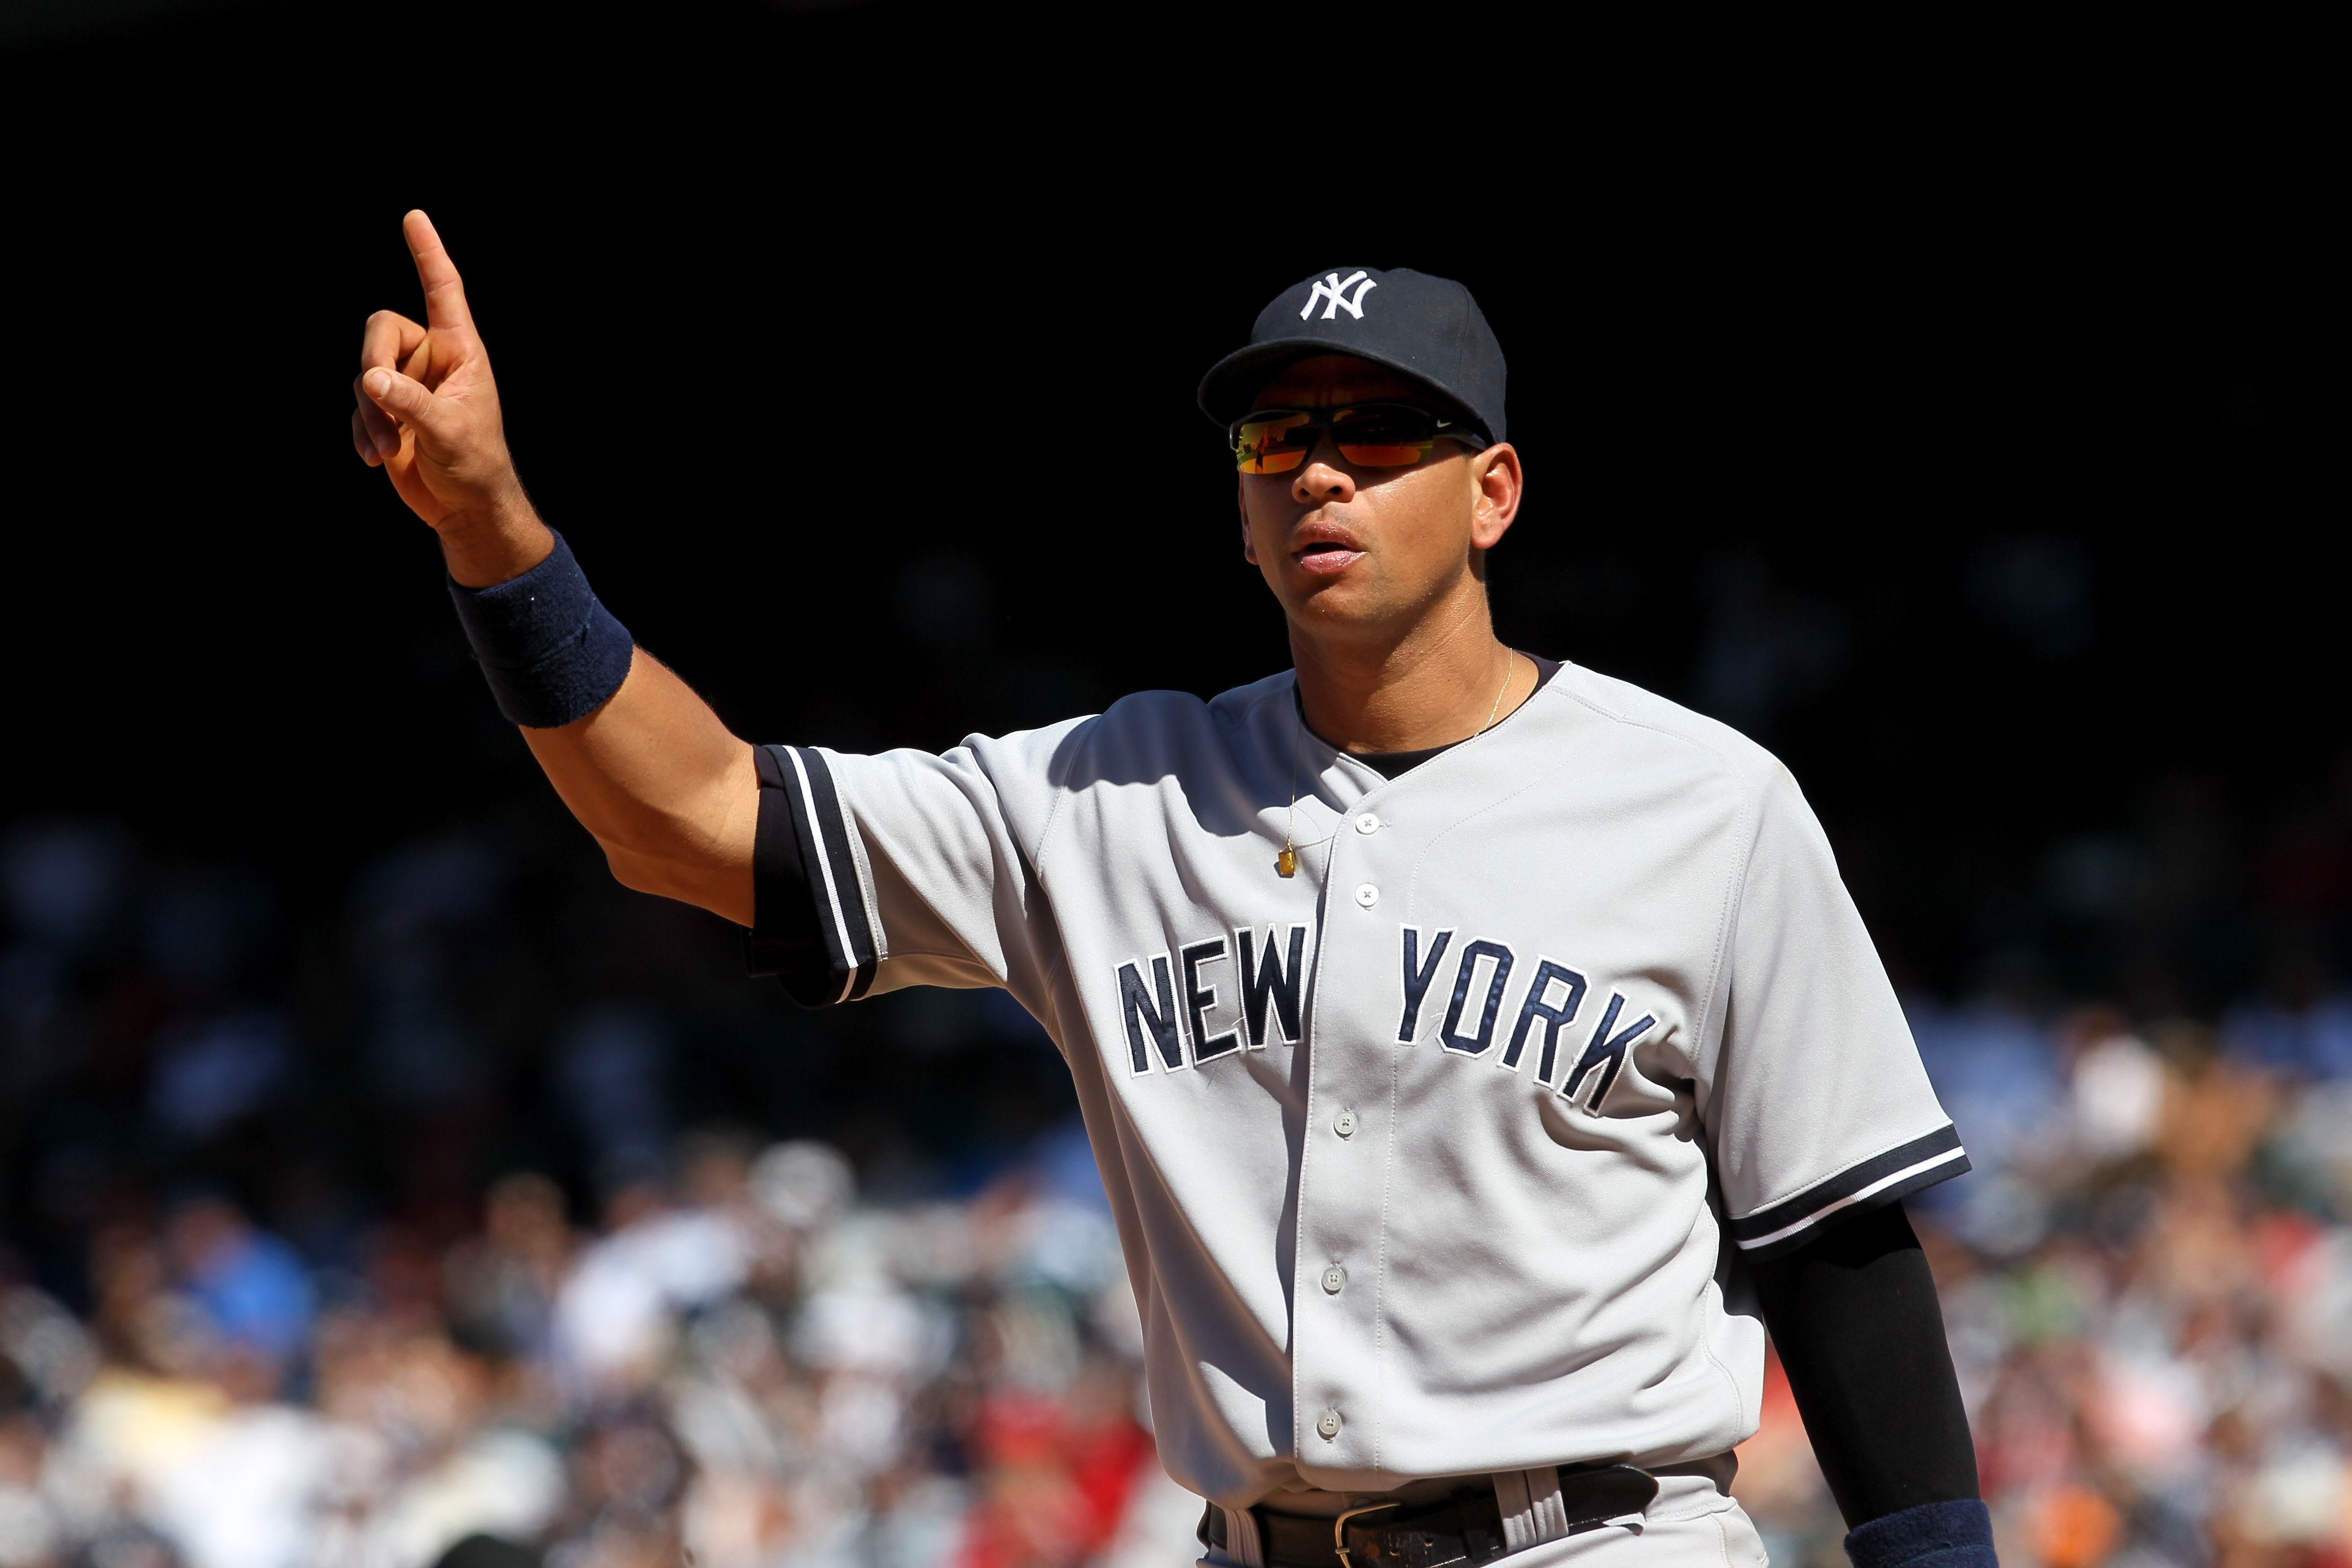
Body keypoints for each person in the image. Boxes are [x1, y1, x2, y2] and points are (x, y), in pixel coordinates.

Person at [350, 214, 1994, 1568]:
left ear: (1494, 490)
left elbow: (1837, 1240)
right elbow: (697, 822)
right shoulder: (1101, 796)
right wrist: (495, 532)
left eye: (1378, 427)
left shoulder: (1703, 804)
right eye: (1282, 435)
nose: (1322, 472)